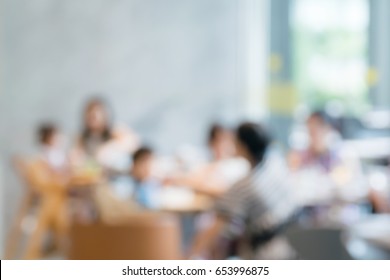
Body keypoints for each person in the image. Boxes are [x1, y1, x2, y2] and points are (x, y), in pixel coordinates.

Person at [190, 122, 301, 260]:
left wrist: (188, 259)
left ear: (243, 146)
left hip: (267, 252)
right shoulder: (275, 164)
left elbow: (214, 230)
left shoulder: (246, 185)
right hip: (295, 241)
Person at [71, 97, 140, 172]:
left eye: (94, 116)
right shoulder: (82, 137)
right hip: (95, 176)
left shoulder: (115, 130)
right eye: (89, 116)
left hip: (119, 174)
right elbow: (76, 157)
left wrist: (109, 148)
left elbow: (134, 144)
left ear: (104, 115)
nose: (91, 120)